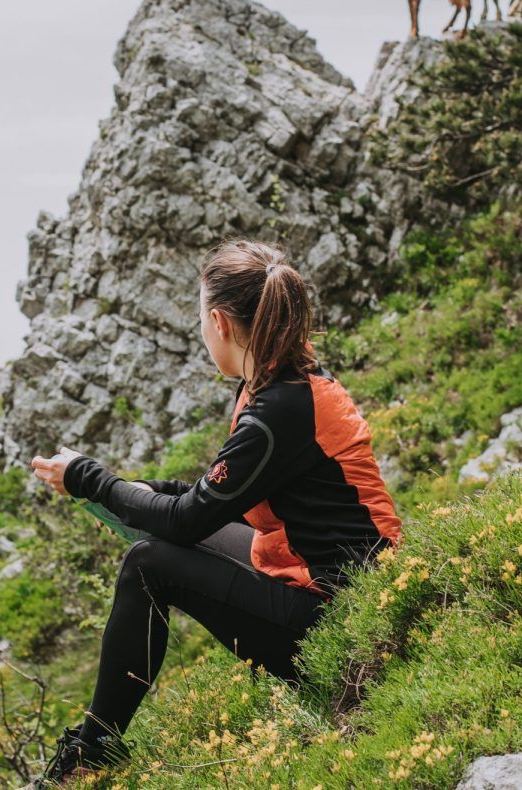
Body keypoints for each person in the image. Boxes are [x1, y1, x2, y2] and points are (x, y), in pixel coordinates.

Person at [28, 239, 403, 785]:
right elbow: (208, 501)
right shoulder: (277, 386)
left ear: (221, 322)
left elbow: (185, 520)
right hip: (342, 586)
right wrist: (127, 488)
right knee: (162, 542)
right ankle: (94, 748)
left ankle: (92, 753)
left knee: (149, 564)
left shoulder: (276, 411)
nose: (202, 329)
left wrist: (92, 478)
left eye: (201, 316)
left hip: (349, 626)